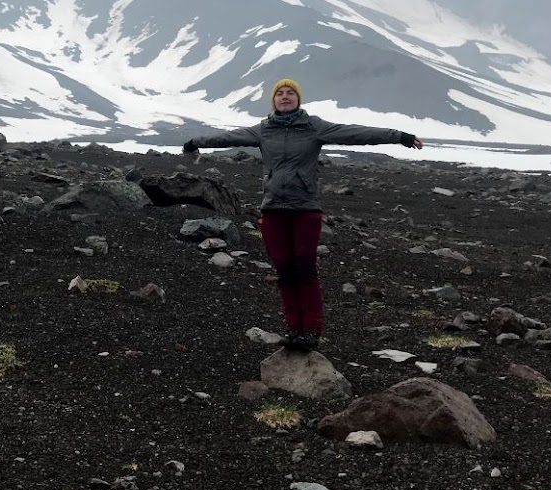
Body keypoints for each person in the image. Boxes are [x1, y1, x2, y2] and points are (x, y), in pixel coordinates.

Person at [182, 78, 424, 351]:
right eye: (280, 94)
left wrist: (400, 137)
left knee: (305, 270)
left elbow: (355, 133)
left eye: (290, 93)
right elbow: (226, 137)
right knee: (285, 272)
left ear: (298, 99)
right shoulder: (263, 130)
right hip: (273, 209)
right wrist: (194, 142)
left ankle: (311, 330)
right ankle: (294, 329)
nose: (285, 97)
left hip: (305, 209)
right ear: (273, 100)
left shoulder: (314, 127)